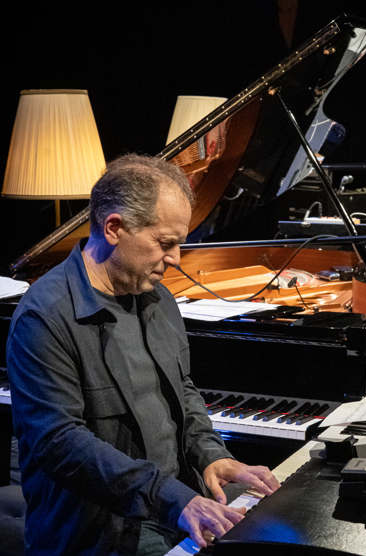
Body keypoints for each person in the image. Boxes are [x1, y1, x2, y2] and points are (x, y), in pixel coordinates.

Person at [7, 153, 280, 556]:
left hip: (173, 506)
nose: (175, 260)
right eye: (165, 244)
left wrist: (210, 456)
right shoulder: (45, 316)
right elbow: (61, 444)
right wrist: (174, 499)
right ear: (114, 227)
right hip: (102, 532)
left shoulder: (156, 298)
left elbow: (182, 392)